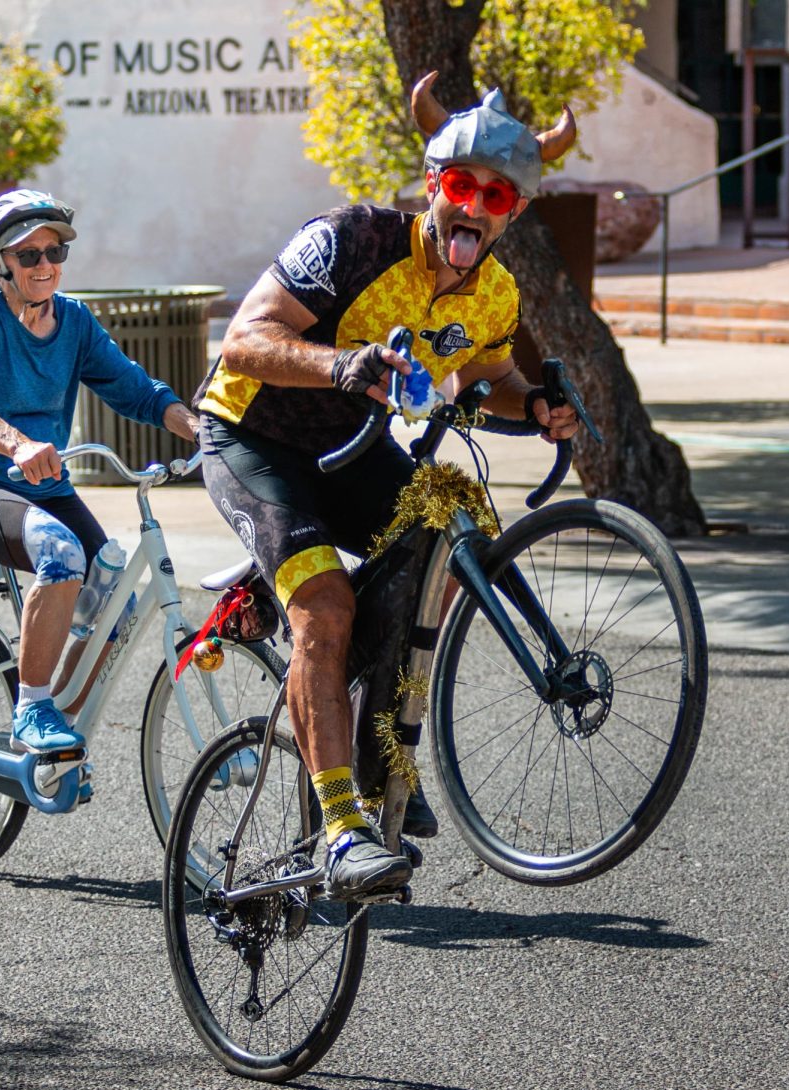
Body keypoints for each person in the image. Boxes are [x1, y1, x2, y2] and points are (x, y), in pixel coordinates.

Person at [194, 73, 581, 900]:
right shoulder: (353, 239)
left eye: (499, 195)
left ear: (513, 210)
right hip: (252, 437)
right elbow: (243, 341)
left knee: (445, 525)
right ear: (434, 183)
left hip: (348, 445)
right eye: (460, 184)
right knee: (326, 608)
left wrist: (538, 404)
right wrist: (342, 362)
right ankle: (340, 832)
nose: (475, 205)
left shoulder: (495, 292)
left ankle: (378, 748)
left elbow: (490, 375)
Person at [0, 189, 199, 758]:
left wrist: (199, 429)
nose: (46, 266)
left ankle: (53, 734)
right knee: (62, 551)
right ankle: (32, 708)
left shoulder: (73, 320)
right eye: (29, 256)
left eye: (55, 253)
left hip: (46, 489)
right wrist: (18, 443)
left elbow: (135, 389)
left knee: (116, 606)